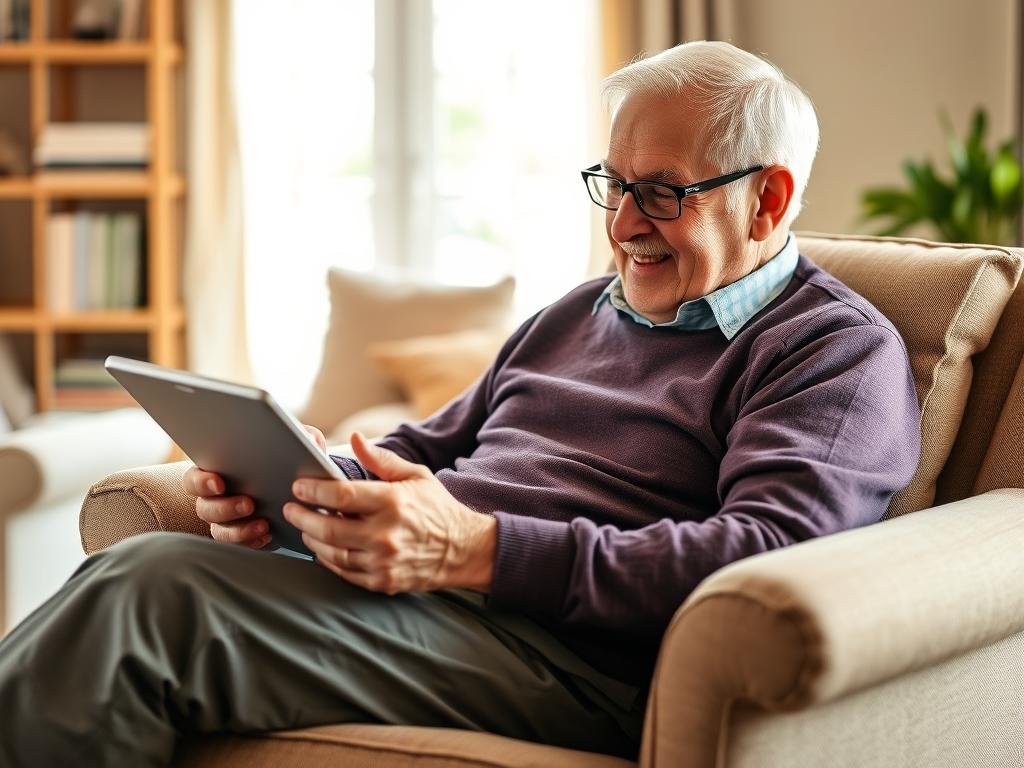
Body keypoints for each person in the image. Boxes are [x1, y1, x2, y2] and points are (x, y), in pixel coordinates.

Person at [0, 40, 920, 766]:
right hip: (445, 607)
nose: (624, 223)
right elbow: (432, 448)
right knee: (147, 567)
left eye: (663, 192)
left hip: (583, 662)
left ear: (768, 200)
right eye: (614, 183)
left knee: (153, 596)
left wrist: (478, 551)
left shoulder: (833, 354)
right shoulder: (576, 313)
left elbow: (765, 557)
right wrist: (309, 481)